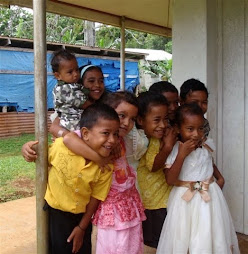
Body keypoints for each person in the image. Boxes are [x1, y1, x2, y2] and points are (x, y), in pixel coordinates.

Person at [64, 91, 146, 254]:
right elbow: (68, 138)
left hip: (129, 203)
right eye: (121, 115)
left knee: (132, 247)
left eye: (132, 119)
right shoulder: (96, 136)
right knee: (114, 247)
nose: (126, 123)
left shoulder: (120, 139)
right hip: (111, 207)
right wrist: (98, 158)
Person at [157, 103, 240, 254]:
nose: (196, 134)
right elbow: (170, 180)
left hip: (210, 200)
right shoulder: (175, 149)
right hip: (184, 202)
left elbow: (209, 163)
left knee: (210, 233)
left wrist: (219, 179)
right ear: (178, 129)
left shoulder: (206, 145)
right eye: (190, 129)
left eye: (200, 128)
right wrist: (182, 155)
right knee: (185, 236)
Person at [45, 103, 120, 254]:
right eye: (106, 133)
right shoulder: (60, 148)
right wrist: (26, 149)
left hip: (82, 219)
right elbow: (39, 155)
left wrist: (81, 227)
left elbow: (96, 197)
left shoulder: (105, 167)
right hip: (56, 215)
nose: (112, 140)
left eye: (116, 134)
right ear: (85, 133)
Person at [21, 63, 106, 162]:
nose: (97, 85)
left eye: (101, 81)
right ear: (79, 84)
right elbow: (54, 128)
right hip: (69, 159)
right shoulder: (69, 109)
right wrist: (71, 138)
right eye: (91, 81)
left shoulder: (105, 109)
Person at [136, 91, 177, 249]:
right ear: (140, 120)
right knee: (158, 242)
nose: (162, 125)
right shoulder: (150, 141)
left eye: (165, 119)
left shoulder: (155, 138)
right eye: (156, 120)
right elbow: (153, 166)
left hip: (162, 200)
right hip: (154, 203)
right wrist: (167, 147)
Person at [179, 78, 225, 189]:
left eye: (204, 102)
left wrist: (219, 177)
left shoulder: (205, 124)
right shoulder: (178, 124)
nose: (200, 106)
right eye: (194, 102)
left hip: (201, 181)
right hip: (183, 183)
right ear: (182, 102)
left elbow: (204, 154)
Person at [51, 49, 93, 131]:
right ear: (58, 75)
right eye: (70, 72)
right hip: (71, 123)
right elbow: (84, 104)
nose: (76, 74)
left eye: (77, 70)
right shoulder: (63, 89)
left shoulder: (73, 84)